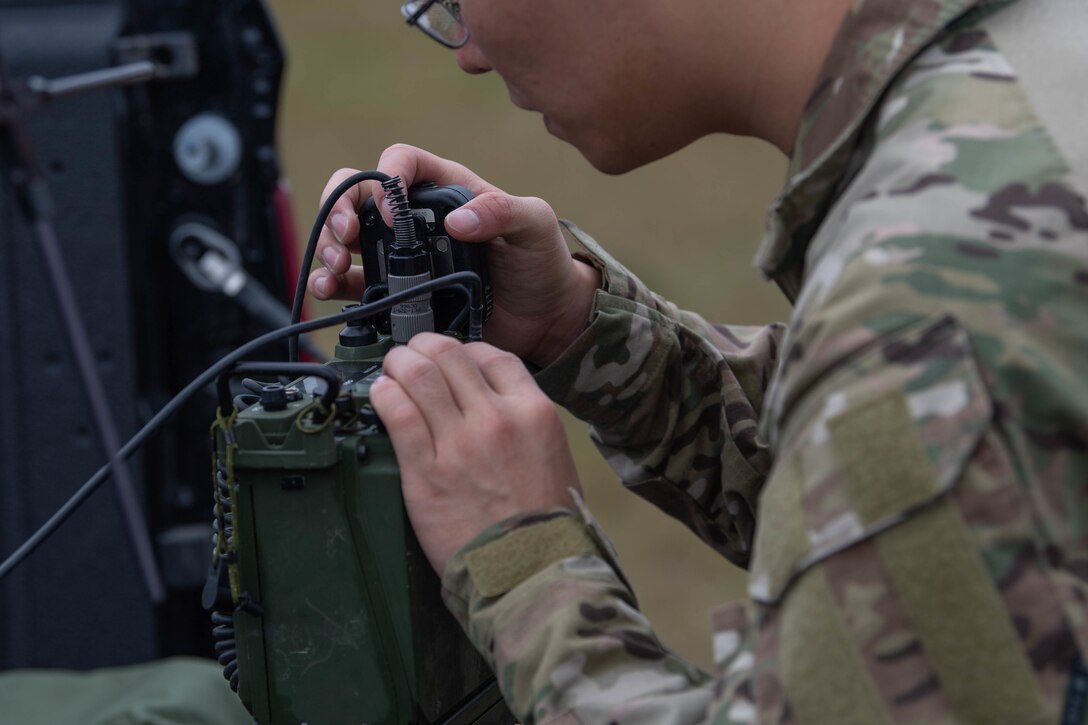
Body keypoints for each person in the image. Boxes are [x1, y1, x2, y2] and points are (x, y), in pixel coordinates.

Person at [310, 0, 1088, 722]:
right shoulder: (1018, 90)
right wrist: (580, 330)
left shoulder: (928, 286)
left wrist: (522, 566)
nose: (468, 51)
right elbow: (900, 468)